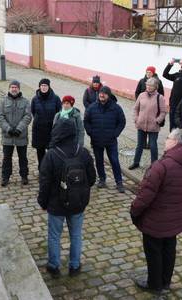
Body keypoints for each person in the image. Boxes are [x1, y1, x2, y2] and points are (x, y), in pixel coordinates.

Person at [130, 129, 182, 293]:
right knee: (169, 250)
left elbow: (145, 196)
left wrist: (134, 211)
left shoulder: (161, 166)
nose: (165, 141)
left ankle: (154, 285)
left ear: (176, 142)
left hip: (155, 221)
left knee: (154, 252)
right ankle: (165, 282)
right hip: (175, 219)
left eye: (168, 138)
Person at [38, 118, 96, 278]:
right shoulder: (83, 152)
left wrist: (42, 202)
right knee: (76, 234)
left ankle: (54, 266)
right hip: (77, 203)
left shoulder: (51, 155)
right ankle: (75, 266)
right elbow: (92, 178)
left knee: (54, 236)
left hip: (56, 205)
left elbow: (44, 183)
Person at [84, 85, 126, 193]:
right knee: (99, 161)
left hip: (111, 141)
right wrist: (91, 132)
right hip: (97, 140)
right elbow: (86, 121)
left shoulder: (116, 108)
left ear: (109, 95)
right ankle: (102, 179)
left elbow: (122, 122)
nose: (102, 95)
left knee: (115, 161)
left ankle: (119, 182)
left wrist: (115, 134)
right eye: (100, 93)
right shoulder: (92, 107)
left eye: (104, 93)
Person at [0, 80, 33, 187]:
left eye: (16, 87)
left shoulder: (25, 101)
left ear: (19, 89)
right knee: (6, 158)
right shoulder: (3, 101)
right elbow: (0, 116)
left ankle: (24, 176)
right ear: (9, 88)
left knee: (23, 157)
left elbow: (28, 116)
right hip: (7, 136)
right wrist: (8, 129)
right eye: (12, 87)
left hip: (21, 135)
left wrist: (19, 129)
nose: (14, 89)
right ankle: (5, 177)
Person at [129, 77, 167, 170]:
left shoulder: (160, 97)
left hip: (153, 126)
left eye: (151, 86)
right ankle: (136, 162)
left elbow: (163, 112)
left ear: (156, 87)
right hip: (141, 124)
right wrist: (136, 119)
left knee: (153, 146)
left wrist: (157, 121)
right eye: (147, 85)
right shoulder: (141, 95)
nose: (149, 87)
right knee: (139, 145)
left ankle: (154, 165)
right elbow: (135, 108)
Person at [31, 78, 62, 170]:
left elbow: (59, 113)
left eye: (46, 86)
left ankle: (52, 171)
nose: (44, 87)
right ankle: (42, 170)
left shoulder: (56, 98)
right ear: (39, 87)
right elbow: (33, 112)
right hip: (39, 130)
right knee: (40, 153)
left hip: (51, 130)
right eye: (42, 86)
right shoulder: (35, 99)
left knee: (52, 152)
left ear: (49, 87)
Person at [162, 59, 182, 130]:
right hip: (173, 104)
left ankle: (180, 139)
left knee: (180, 124)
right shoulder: (177, 75)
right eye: (181, 65)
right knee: (172, 124)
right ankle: (172, 139)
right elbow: (165, 74)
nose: (181, 67)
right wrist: (170, 64)